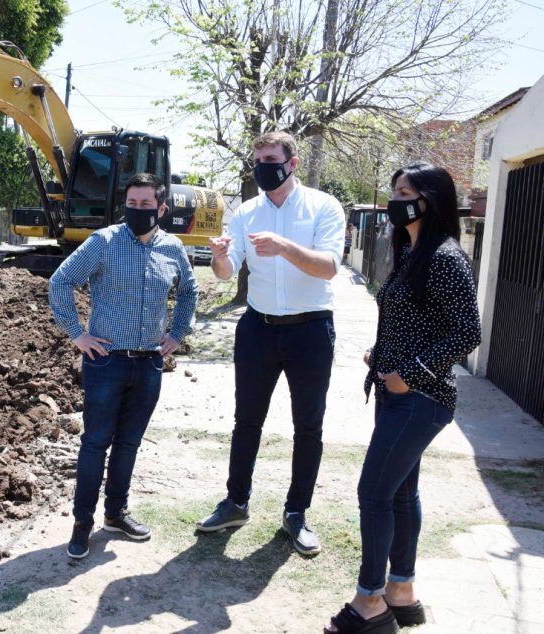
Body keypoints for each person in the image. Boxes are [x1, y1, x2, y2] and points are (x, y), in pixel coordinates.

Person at [324, 163, 481, 634]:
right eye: (395, 191)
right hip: (399, 394)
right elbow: (419, 321)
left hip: (421, 399)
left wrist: (409, 374)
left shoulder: (445, 257)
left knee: (373, 493)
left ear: (428, 199)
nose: (395, 200)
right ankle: (401, 592)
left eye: (403, 192)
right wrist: (385, 353)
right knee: (398, 493)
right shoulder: (414, 251)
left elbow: (467, 332)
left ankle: (369, 602)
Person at [198, 131, 345, 557]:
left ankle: (296, 513)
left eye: (270, 158)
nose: (263, 165)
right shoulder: (246, 212)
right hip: (258, 329)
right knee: (247, 421)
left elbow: (329, 268)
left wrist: (283, 246)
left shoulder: (323, 207)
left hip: (311, 330)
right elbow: (227, 273)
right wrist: (220, 255)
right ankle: (235, 503)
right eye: (257, 159)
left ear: (292, 163)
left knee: (309, 426)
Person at [49, 172, 198, 559]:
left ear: (161, 209)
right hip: (106, 362)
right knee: (95, 443)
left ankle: (116, 513)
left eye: (146, 205)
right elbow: (60, 281)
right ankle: (83, 521)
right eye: (132, 204)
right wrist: (76, 333)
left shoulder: (172, 248)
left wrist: (177, 332)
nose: (137, 210)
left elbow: (189, 290)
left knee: (128, 444)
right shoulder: (104, 242)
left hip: (149, 364)